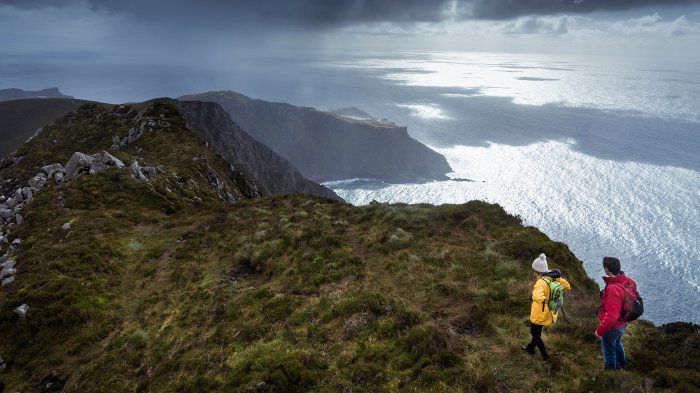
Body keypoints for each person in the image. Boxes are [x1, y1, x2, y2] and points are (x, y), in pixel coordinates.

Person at [522, 253, 571, 360]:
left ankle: (545, 357)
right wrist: (553, 297)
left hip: (540, 312)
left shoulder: (540, 282)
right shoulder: (555, 277)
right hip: (551, 311)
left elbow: (538, 296)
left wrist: (541, 298)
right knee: (538, 331)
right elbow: (567, 286)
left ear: (537, 271)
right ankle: (530, 348)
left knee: (534, 333)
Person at [594, 256, 637, 370]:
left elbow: (612, 316)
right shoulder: (628, 281)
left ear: (607, 269)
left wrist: (600, 332)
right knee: (617, 343)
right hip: (624, 322)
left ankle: (611, 376)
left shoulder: (613, 289)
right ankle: (623, 367)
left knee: (609, 351)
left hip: (613, 326)